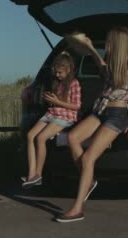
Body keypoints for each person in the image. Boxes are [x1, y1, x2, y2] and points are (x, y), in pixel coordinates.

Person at [55, 27, 128, 223]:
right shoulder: (115, 64)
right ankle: (88, 181)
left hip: (117, 115)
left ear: (117, 44)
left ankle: (77, 208)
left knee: (88, 158)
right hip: (100, 111)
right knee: (72, 138)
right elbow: (103, 68)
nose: (106, 45)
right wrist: (90, 48)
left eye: (108, 42)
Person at [22, 52, 81, 189]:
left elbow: (76, 106)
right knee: (30, 135)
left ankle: (38, 174)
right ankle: (31, 174)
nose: (57, 75)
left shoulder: (74, 83)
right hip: (51, 113)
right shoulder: (57, 83)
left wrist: (57, 101)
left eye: (60, 72)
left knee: (41, 138)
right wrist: (50, 99)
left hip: (65, 116)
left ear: (69, 70)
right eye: (55, 72)